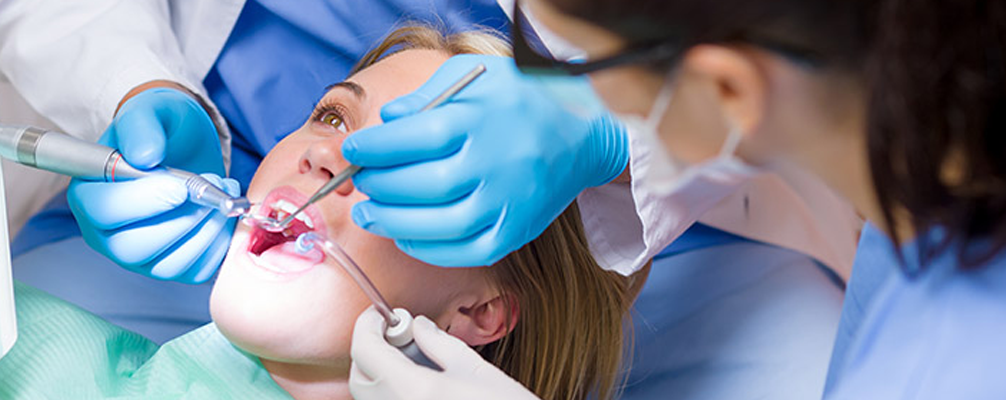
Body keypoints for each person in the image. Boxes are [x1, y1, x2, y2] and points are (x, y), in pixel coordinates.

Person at [0, 27, 641, 400]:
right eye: (334, 118)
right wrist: (136, 87)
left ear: (480, 314)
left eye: (408, 164)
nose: (323, 157)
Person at [364, 0, 1006, 398]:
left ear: (729, 88)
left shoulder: (942, 369)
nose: (323, 158)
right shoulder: (922, 196)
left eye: (572, 67)